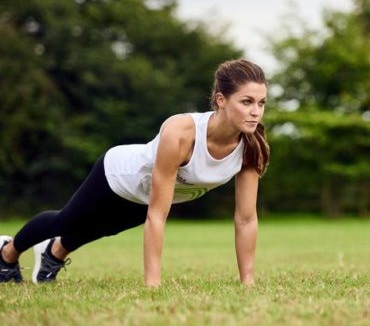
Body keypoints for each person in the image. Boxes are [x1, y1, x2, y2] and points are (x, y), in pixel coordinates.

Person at [0, 59, 269, 287]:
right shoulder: (181, 133)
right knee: (68, 221)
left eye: (261, 103)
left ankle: (53, 253)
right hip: (118, 175)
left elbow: (246, 219)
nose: (256, 112)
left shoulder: (251, 147)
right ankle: (6, 254)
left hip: (144, 197)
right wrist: (153, 286)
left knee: (101, 229)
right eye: (247, 102)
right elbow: (157, 215)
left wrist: (248, 283)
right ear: (221, 100)